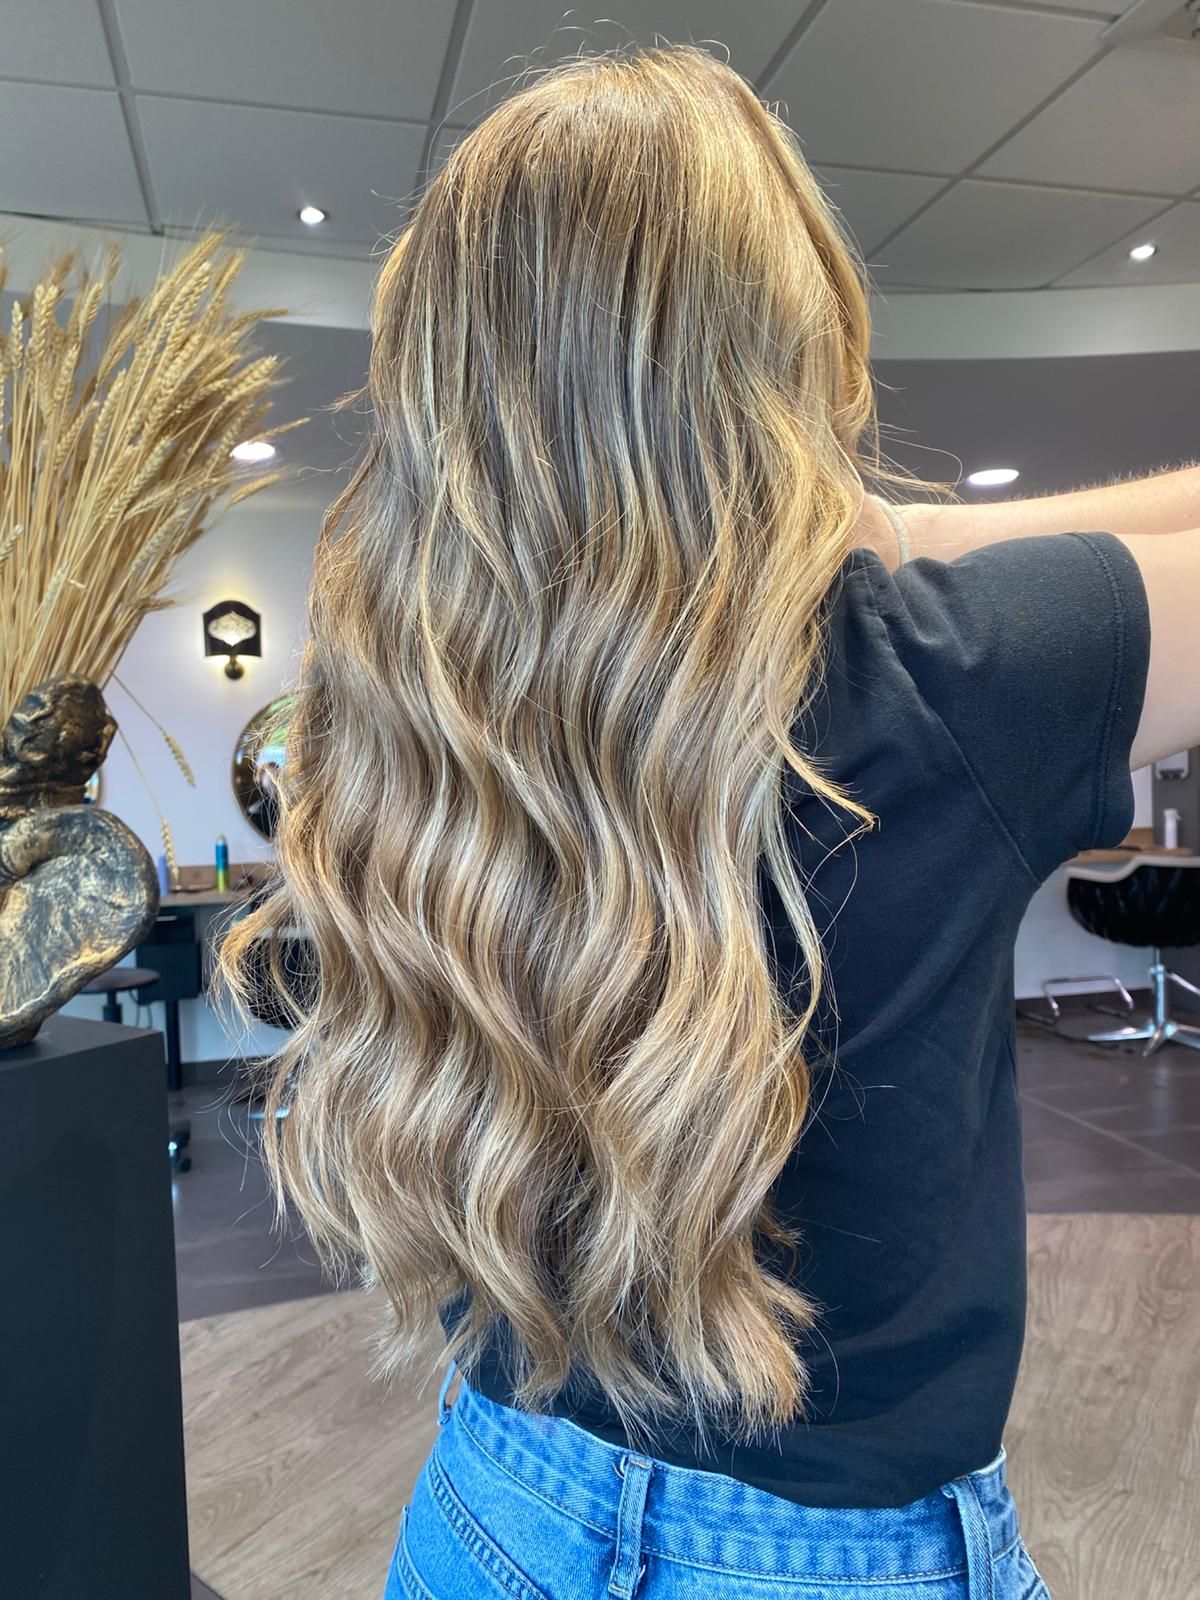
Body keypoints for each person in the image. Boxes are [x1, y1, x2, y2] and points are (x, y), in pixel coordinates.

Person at [220, 44, 1199, 1600]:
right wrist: (869, 519)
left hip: (494, 1502)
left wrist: (843, 527)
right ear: (785, 331)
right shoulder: (944, 676)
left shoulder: (406, 715)